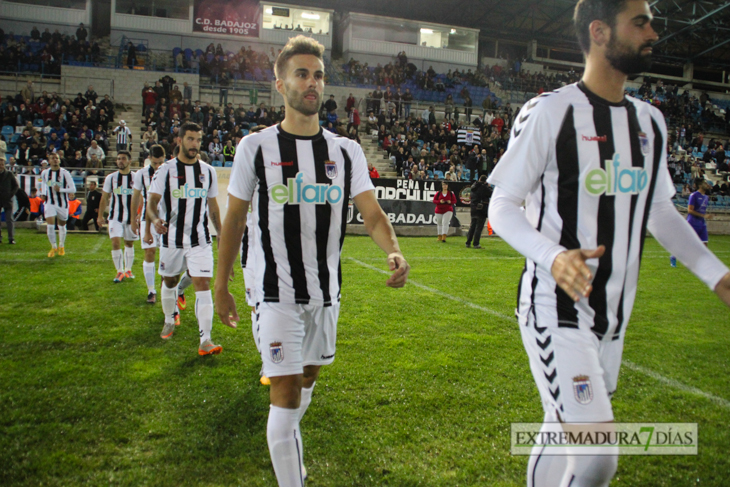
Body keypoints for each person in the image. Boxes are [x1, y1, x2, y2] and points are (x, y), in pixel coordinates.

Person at [486, 2, 730, 486]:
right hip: (554, 308)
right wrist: (554, 257)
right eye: (640, 21)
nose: (653, 32)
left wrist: (717, 275)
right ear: (599, 32)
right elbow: (502, 206)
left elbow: (659, 211)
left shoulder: (650, 122)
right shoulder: (551, 112)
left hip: (614, 316)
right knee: (598, 457)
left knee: (562, 431)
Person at [213, 35, 410, 487]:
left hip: (326, 294)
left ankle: (290, 448)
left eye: (318, 74)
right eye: (302, 74)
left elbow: (372, 213)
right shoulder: (255, 148)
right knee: (283, 394)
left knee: (306, 382)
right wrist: (221, 286)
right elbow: (236, 220)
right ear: (280, 84)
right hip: (274, 290)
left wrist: (393, 248)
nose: (312, 82)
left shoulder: (345, 151)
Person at [146, 122, 224, 353]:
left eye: (198, 140)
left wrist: (219, 233)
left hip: (200, 239)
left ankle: (206, 340)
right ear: (179, 140)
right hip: (171, 240)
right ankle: (170, 318)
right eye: (190, 139)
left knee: (202, 283)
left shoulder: (207, 171)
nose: (195, 144)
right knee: (169, 281)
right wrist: (154, 219)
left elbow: (213, 208)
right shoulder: (166, 170)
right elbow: (151, 203)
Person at [131, 145, 165, 304]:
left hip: (167, 218)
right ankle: (151, 290)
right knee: (150, 252)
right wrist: (133, 219)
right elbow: (136, 196)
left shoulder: (170, 171)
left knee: (167, 256)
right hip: (147, 218)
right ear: (149, 159)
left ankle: (169, 288)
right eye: (155, 163)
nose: (158, 166)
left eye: (160, 163)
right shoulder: (141, 174)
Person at [97, 151, 139, 283]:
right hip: (115, 216)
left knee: (129, 243)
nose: (120, 161)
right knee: (115, 242)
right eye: (118, 159)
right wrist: (100, 215)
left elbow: (141, 197)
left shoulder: (136, 177)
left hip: (131, 217)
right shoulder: (111, 178)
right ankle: (119, 271)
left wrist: (139, 214)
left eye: (123, 159)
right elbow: (104, 197)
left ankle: (128, 269)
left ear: (129, 161)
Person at [671, 177, 712, 267]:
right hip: (693, 223)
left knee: (704, 244)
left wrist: (704, 217)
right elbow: (690, 210)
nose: (707, 184)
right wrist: (704, 215)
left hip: (702, 224)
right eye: (705, 183)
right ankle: (674, 257)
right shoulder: (694, 195)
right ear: (700, 185)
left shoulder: (706, 197)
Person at [41, 152, 76, 257]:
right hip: (50, 202)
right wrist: (43, 193)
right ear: (49, 161)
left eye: (57, 158)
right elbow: (43, 183)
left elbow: (73, 189)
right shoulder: (45, 173)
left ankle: (61, 245)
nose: (55, 160)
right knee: (50, 225)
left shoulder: (65, 173)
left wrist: (60, 189)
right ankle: (53, 246)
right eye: (53, 158)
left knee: (62, 225)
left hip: (62, 204)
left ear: (59, 160)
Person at [465, 175, 491, 249]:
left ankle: (468, 242)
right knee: (479, 227)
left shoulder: (473, 187)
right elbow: (490, 193)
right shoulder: (484, 187)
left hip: (473, 208)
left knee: (472, 226)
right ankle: (476, 243)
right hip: (481, 209)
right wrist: (488, 186)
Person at [0, 155, 19, 244]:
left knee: (9, 220)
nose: (1, 166)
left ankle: (11, 238)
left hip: (7, 199)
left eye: (2, 164)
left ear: (4, 165)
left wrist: (11, 194)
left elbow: (16, 186)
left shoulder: (9, 174)